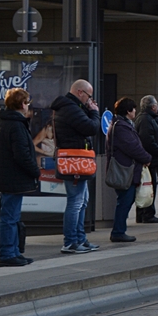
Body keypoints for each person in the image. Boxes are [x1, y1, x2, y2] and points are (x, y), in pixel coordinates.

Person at [50, 79, 101, 254]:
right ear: (80, 93)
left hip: (78, 161)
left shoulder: (72, 108)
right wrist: (94, 113)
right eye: (89, 96)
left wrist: (88, 109)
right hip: (74, 162)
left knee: (82, 200)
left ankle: (80, 238)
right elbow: (91, 127)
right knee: (76, 202)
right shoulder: (70, 108)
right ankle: (71, 241)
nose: (90, 100)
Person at [0, 88, 39, 267]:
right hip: (13, 177)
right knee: (10, 217)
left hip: (8, 176)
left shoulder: (6, 122)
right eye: (27, 102)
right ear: (22, 104)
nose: (28, 106)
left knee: (11, 216)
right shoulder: (16, 125)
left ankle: (12, 252)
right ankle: (7, 253)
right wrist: (35, 171)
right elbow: (22, 154)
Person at [107, 98, 153, 244]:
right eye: (133, 109)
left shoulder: (122, 124)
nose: (135, 111)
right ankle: (118, 232)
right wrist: (147, 157)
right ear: (128, 111)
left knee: (125, 200)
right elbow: (132, 147)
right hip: (125, 170)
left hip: (127, 168)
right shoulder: (121, 126)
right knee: (125, 201)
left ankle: (119, 230)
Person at [134, 95, 158, 224]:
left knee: (145, 186)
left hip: (149, 158)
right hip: (150, 159)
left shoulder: (147, 118)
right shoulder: (146, 120)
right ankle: (147, 213)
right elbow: (148, 140)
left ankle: (142, 213)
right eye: (156, 105)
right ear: (153, 107)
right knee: (148, 186)